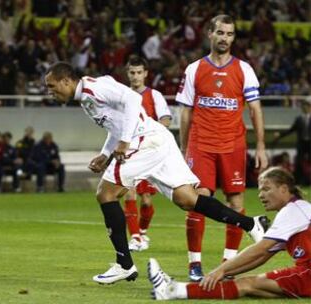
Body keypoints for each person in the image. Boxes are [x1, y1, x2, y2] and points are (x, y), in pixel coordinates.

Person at [44, 61, 269, 285]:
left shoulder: (96, 87)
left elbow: (133, 99)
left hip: (145, 141)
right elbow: (116, 125)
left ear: (66, 81)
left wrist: (123, 143)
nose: (50, 92)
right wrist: (106, 154)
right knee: (187, 199)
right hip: (157, 139)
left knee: (106, 194)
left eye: (52, 86)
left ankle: (124, 265)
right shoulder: (85, 98)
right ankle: (251, 224)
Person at [176, 14, 268, 282]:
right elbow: (185, 112)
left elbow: (255, 109)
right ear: (210, 34)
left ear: (233, 37)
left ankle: (228, 263)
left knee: (236, 202)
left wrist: (260, 145)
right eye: (220, 33)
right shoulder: (194, 69)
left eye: (229, 34)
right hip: (201, 144)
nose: (225, 38)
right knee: (198, 200)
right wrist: (184, 149)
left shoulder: (244, 69)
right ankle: (195, 264)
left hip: (233, 145)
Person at [148, 166, 311, 300]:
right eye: (260, 190)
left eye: (266, 189)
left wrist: (221, 270)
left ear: (284, 189)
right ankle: (174, 289)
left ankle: (172, 290)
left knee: (247, 285)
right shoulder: (297, 210)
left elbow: (261, 248)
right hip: (306, 272)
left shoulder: (293, 211)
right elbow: (263, 255)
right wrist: (227, 272)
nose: (261, 195)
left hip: (308, 273)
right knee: (255, 289)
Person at [123, 55, 172, 251]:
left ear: (145, 74)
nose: (135, 76)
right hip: (129, 152)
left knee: (146, 199)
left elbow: (166, 118)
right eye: (132, 73)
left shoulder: (154, 95)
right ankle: (135, 238)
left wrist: (154, 134)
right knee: (129, 193)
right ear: (128, 74)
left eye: (139, 73)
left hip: (150, 153)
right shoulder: (123, 95)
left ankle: (142, 232)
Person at [273, 100, 311, 185]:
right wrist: (280, 135)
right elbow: (291, 130)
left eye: (306, 106)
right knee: (298, 162)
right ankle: (299, 182)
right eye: (303, 107)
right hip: (301, 143)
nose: (305, 108)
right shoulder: (299, 119)